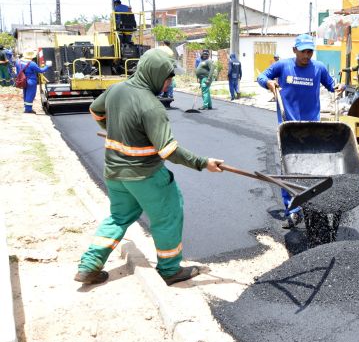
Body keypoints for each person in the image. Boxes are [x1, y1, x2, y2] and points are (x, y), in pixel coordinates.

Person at [74, 48, 225, 286]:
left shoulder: (116, 89)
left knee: (118, 217)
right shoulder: (151, 106)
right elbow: (169, 151)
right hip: (145, 176)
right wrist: (203, 163)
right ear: (155, 74)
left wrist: (112, 129)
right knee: (168, 216)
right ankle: (170, 270)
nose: (167, 85)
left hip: (115, 174)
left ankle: (89, 265)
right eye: (167, 79)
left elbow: (95, 109)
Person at [257, 33, 344, 228]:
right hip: (288, 127)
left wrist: (338, 87)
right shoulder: (283, 66)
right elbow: (261, 76)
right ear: (294, 50)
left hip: (312, 126)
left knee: (312, 168)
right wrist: (269, 83)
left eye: (310, 51)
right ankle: (293, 210)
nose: (306, 55)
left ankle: (314, 204)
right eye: (303, 51)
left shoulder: (318, 68)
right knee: (288, 169)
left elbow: (331, 85)